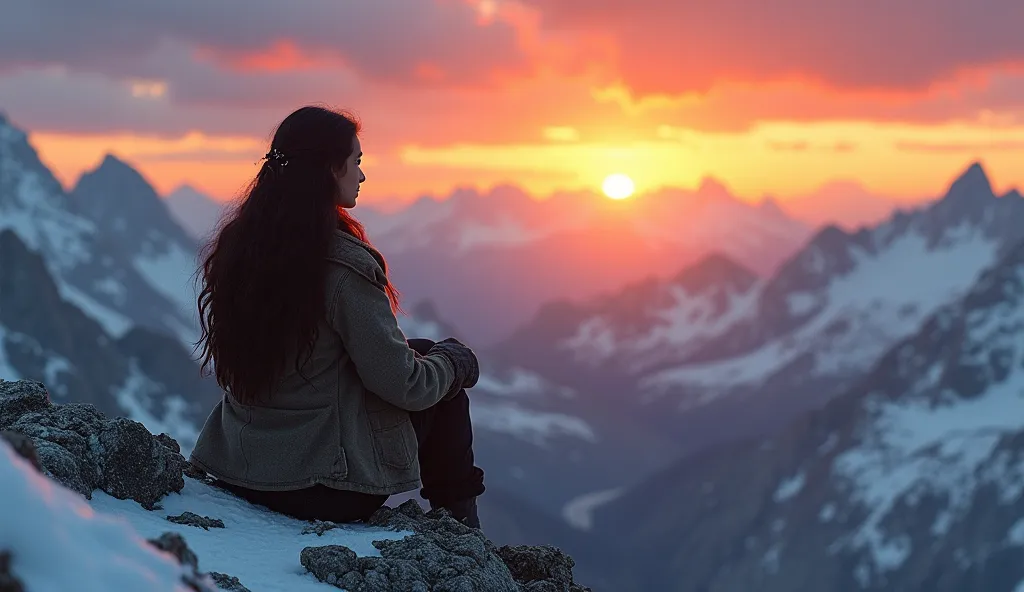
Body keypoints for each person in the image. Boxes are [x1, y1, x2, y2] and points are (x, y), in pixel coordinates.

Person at [188, 105, 486, 529]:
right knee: (444, 381)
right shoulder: (341, 267)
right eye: (357, 162)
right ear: (330, 168)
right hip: (320, 488)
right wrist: (456, 364)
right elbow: (405, 386)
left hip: (242, 470)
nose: (362, 175)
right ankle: (462, 533)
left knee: (421, 353)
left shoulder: (242, 248)